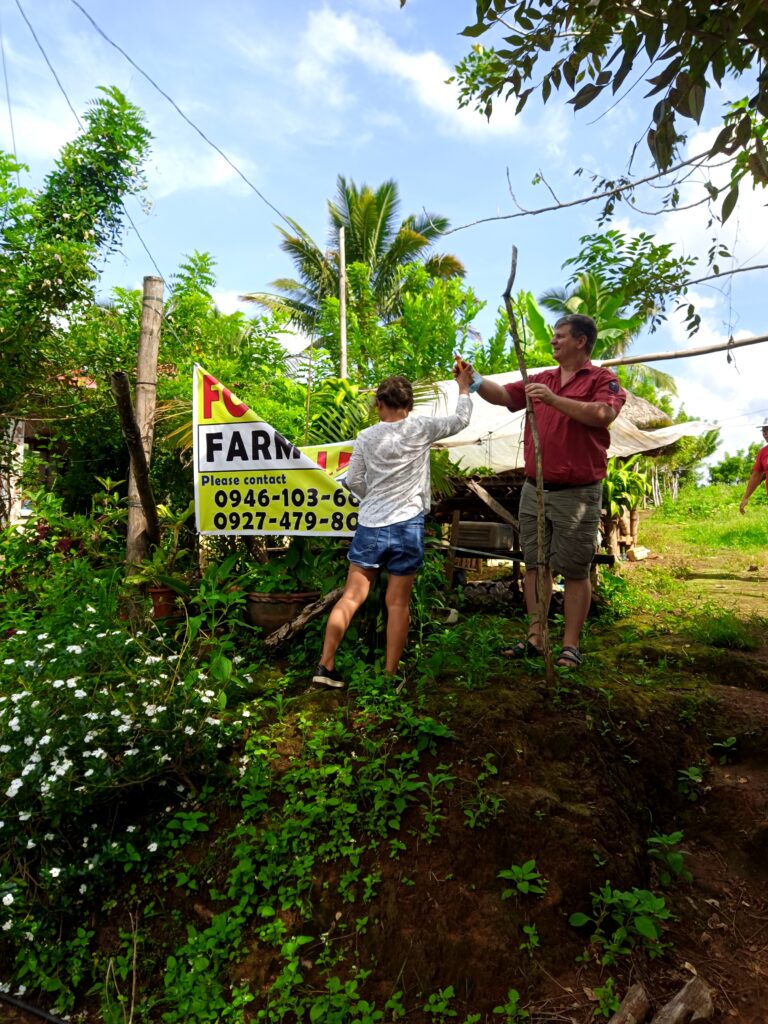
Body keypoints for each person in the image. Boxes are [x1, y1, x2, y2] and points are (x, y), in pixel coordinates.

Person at [467, 313, 626, 669]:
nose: (553, 341)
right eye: (553, 335)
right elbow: (506, 396)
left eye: (560, 336)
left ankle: (570, 646)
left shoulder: (603, 380)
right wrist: (475, 380)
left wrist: (554, 401)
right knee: (535, 565)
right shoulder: (542, 378)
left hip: (577, 492)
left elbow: (602, 415)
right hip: (535, 488)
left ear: (581, 341)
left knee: (574, 569)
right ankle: (536, 637)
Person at [313, 368, 474, 689]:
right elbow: (461, 420)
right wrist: (464, 387)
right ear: (409, 405)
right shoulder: (422, 427)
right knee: (397, 603)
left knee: (350, 598)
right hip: (407, 527)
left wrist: (371, 498)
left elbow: (354, 480)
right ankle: (389, 677)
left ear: (379, 404)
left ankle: (325, 665)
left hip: (371, 525)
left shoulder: (366, 437)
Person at [739, 418, 768, 513]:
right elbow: (756, 476)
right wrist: (745, 497)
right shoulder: (763, 452)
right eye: (763, 431)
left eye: (767, 430)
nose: (765, 433)